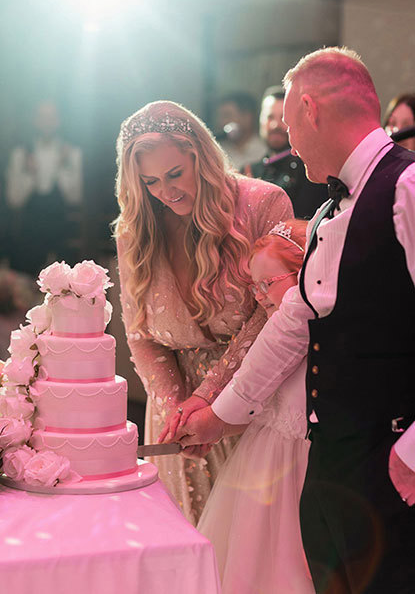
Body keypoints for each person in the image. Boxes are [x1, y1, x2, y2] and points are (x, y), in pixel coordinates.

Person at [175, 47, 415, 593]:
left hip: (393, 469)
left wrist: (411, 456)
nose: (286, 141)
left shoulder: (407, 188)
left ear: (309, 108)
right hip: (328, 474)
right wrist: (221, 415)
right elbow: (294, 325)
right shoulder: (331, 210)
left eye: (286, 124)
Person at [114, 100, 292, 524]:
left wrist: (207, 401)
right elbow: (139, 333)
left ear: (202, 155)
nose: (166, 191)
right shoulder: (136, 229)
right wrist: (178, 409)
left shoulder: (264, 203)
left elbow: (273, 317)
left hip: (250, 400)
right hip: (175, 414)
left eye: (175, 174)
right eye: (151, 181)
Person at [192, 220, 314, 594]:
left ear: (304, 270)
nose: (260, 296)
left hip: (300, 464)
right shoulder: (276, 325)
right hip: (263, 459)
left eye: (268, 283)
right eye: (254, 286)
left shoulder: (304, 324)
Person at [5, 100, 83, 274]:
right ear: (35, 120)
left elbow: (75, 198)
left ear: (59, 120)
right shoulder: (20, 154)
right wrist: (29, 175)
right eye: (42, 117)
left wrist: (62, 168)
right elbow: (14, 200)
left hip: (61, 232)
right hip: (29, 233)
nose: (47, 121)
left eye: (51, 117)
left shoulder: (72, 153)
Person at [246, 86, 328, 219]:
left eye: (283, 118)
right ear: (260, 120)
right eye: (269, 117)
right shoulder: (249, 171)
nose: (275, 125)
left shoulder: (313, 173)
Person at [216, 91, 268, 170]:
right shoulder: (219, 150)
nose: (222, 122)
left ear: (247, 117)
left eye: (227, 115)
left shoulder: (264, 150)